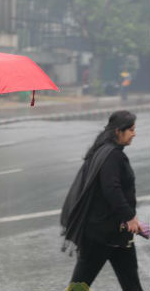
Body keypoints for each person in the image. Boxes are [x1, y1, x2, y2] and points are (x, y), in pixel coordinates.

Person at [61, 110, 144, 291]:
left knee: (132, 285)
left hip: (118, 235)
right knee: (79, 286)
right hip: (99, 235)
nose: (134, 133)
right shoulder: (112, 155)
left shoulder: (105, 151)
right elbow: (111, 189)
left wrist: (129, 219)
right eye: (130, 129)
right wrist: (130, 217)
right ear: (118, 131)